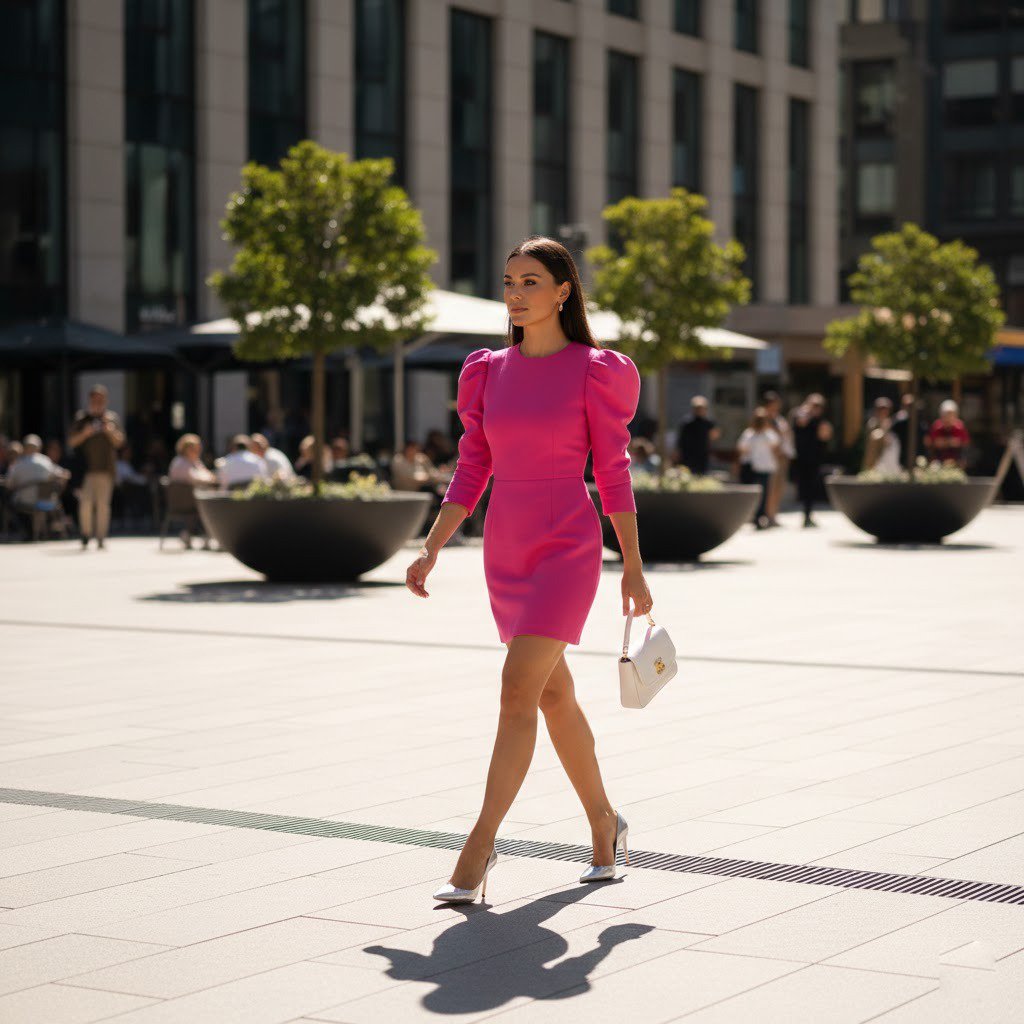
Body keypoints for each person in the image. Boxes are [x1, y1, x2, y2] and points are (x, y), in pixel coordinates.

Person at [405, 235, 652, 903]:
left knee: (517, 691)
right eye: (509, 280)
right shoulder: (487, 370)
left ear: (564, 292)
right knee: (551, 695)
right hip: (505, 549)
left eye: (532, 281)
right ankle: (605, 823)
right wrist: (432, 545)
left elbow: (613, 471)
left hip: (566, 547)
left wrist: (631, 565)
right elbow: (473, 465)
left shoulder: (596, 370)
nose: (516, 293)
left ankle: (478, 848)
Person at [68, 384, 124, 549]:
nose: (98, 402)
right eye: (95, 399)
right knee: (85, 504)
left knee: (103, 505)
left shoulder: (111, 418)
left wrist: (109, 430)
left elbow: (120, 442)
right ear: (90, 399)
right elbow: (71, 441)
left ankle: (101, 538)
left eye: (101, 399)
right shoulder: (82, 418)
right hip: (85, 470)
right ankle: (85, 534)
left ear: (105, 400)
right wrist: (85, 433)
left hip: (106, 469)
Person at [5, 434, 70, 538]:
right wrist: (58, 491)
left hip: (23, 502)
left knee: (9, 502)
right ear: (39, 448)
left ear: (25, 448)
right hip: (45, 501)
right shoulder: (46, 462)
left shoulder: (18, 464)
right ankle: (42, 531)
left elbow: (9, 484)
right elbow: (64, 475)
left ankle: (24, 532)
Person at [792, 394, 834, 528]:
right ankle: (806, 514)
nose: (817, 409)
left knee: (811, 487)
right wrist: (807, 411)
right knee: (804, 486)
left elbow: (826, 435)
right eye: (815, 405)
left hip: (815, 458)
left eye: (819, 406)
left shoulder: (821, 421)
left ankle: (808, 515)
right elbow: (800, 421)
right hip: (801, 458)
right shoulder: (800, 415)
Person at [737, 407, 781, 529]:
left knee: (764, 494)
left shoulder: (769, 434)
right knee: (753, 493)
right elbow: (742, 448)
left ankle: (761, 516)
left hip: (765, 467)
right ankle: (753, 516)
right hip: (753, 467)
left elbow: (776, 448)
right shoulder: (749, 434)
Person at [762, 390, 795, 528]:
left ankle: (773, 515)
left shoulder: (779, 418)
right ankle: (767, 515)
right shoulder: (763, 417)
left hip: (782, 456)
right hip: (771, 458)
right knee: (770, 487)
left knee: (778, 487)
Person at [675, 396, 720, 476]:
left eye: (701, 408)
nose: (699, 410)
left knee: (702, 474)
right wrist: (678, 452)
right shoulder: (687, 423)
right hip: (688, 454)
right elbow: (680, 439)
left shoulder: (709, 423)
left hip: (702, 454)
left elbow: (714, 436)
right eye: (697, 408)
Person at [925, 399, 970, 468]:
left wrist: (945, 442)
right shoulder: (936, 426)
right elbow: (931, 443)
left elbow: (965, 443)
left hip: (956, 461)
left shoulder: (960, 427)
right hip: (938, 461)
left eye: (951, 415)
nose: (948, 418)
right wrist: (951, 442)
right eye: (946, 415)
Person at [862, 397, 901, 473]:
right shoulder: (872, 423)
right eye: (882, 409)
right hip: (877, 452)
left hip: (888, 451)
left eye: (886, 409)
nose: (884, 411)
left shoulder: (890, 422)